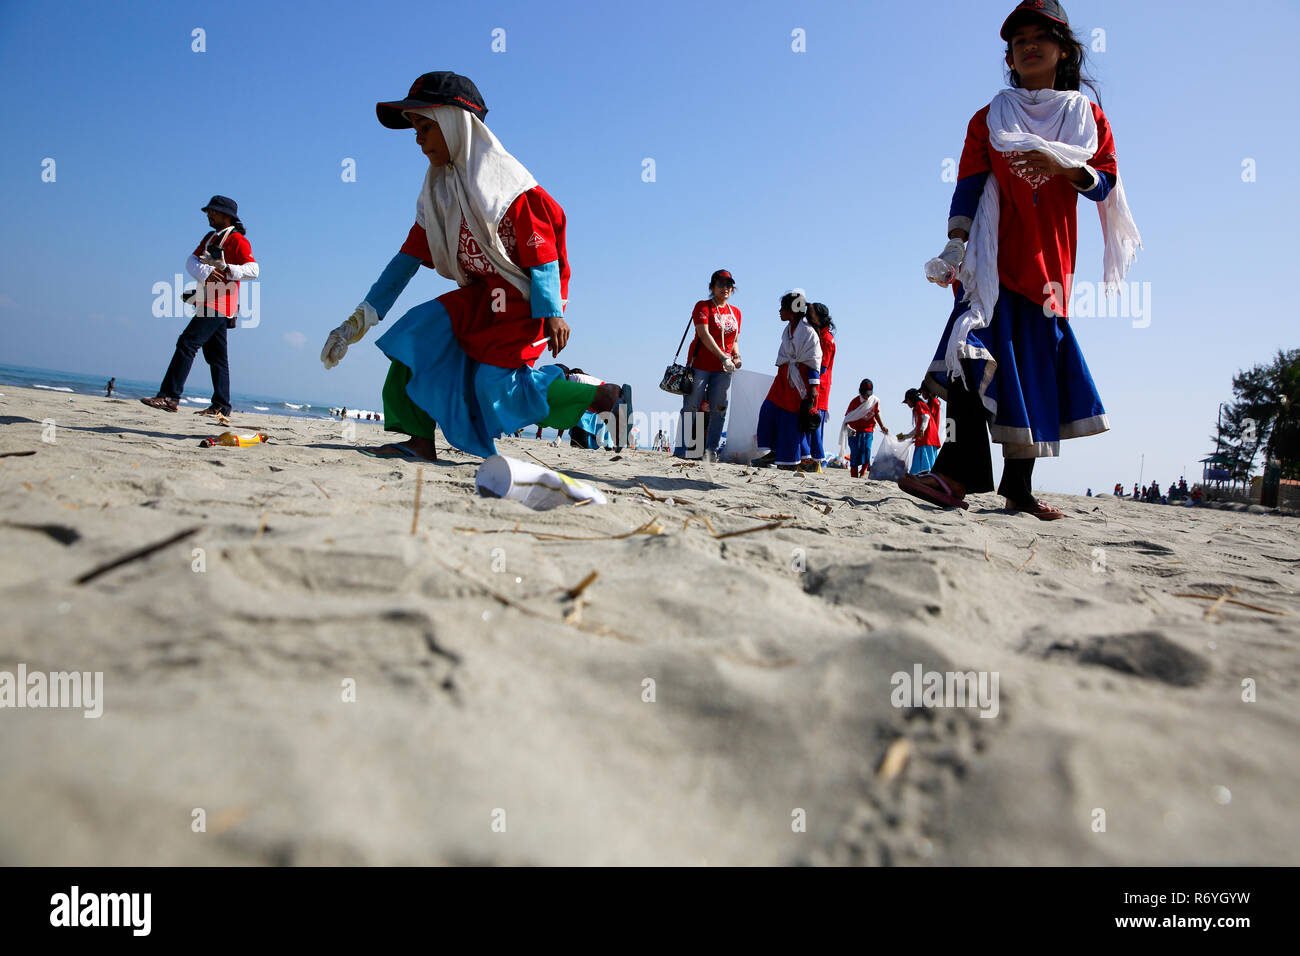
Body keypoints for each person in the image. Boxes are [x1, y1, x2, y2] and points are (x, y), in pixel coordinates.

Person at [898, 0, 1140, 520]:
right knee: (968, 360)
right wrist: (955, 245)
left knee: (1031, 374)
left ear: (1063, 50)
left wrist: (1062, 163)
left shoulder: (1087, 118)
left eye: (1041, 37)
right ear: (1008, 53)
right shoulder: (988, 118)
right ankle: (955, 475)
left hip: (1048, 265)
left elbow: (1105, 186)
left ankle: (1020, 491)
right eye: (1019, 39)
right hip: (988, 266)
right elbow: (968, 186)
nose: (1029, 45)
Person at [320, 71, 632, 462]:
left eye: (425, 126)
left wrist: (551, 310)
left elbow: (543, 251)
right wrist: (359, 319)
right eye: (414, 128)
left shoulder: (512, 189)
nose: (418, 139)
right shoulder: (438, 194)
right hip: (482, 294)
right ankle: (416, 440)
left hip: (525, 297)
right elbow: (404, 263)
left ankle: (601, 396)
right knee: (415, 334)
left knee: (493, 385)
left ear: (456, 123)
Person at [141, 196, 259, 416]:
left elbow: (253, 270)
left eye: (213, 211)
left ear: (227, 215)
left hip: (220, 303)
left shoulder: (237, 240)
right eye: (208, 211)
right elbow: (191, 261)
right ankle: (221, 406)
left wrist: (226, 268)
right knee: (217, 359)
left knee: (187, 343)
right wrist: (205, 271)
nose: (209, 215)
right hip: (209, 301)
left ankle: (169, 396)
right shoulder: (210, 237)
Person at [752, 291, 822, 471]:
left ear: (792, 310)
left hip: (799, 381)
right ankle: (776, 451)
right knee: (768, 410)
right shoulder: (788, 330)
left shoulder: (808, 331)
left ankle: (792, 460)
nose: (779, 311)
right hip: (783, 378)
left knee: (791, 420)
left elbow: (813, 359)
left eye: (783, 307)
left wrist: (814, 386)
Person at [678, 269, 742, 461]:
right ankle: (682, 449)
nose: (725, 288)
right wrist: (723, 356)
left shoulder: (736, 312)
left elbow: (735, 339)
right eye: (721, 284)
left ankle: (710, 451)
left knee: (719, 408)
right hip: (701, 365)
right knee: (691, 406)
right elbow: (703, 334)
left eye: (729, 284)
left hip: (724, 369)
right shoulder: (703, 306)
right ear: (712, 286)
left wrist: (736, 356)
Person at [801, 302, 837, 472]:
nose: (808, 314)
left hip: (819, 387)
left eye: (811, 312)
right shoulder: (818, 335)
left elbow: (821, 367)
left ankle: (816, 461)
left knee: (813, 423)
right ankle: (810, 460)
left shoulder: (827, 339)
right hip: (815, 384)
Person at [840, 378, 888, 478]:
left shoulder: (874, 400)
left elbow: (876, 413)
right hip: (854, 432)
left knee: (867, 451)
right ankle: (854, 475)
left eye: (869, 394)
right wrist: (849, 428)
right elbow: (847, 418)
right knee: (855, 453)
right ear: (861, 392)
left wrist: (882, 426)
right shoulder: (854, 402)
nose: (867, 396)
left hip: (868, 430)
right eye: (866, 394)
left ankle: (862, 472)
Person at [899, 388, 940, 474]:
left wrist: (921, 431)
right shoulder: (917, 408)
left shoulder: (919, 405)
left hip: (927, 438)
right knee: (922, 459)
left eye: (907, 401)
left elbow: (926, 417)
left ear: (911, 399)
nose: (907, 404)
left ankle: (924, 476)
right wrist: (904, 436)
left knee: (925, 461)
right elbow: (916, 428)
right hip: (925, 438)